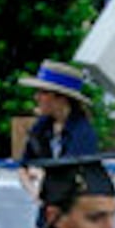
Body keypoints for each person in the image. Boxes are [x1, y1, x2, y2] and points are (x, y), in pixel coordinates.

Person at [16, 60, 99, 206]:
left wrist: (42, 175)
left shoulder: (82, 133)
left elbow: (69, 178)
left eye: (43, 92)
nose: (36, 97)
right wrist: (36, 194)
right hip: (48, 212)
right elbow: (24, 167)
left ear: (61, 98)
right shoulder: (41, 126)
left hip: (73, 215)